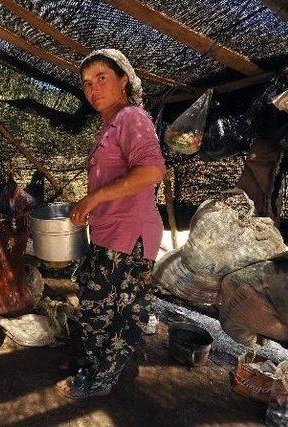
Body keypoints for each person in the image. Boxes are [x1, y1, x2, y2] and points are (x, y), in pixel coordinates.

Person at [56, 49, 166, 399]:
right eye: (87, 83)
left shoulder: (133, 116)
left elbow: (151, 171)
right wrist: (92, 204)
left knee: (117, 312)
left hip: (130, 235)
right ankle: (98, 367)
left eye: (101, 78)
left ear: (124, 80)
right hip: (109, 233)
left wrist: (93, 199)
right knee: (96, 305)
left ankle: (99, 379)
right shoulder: (111, 126)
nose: (93, 89)